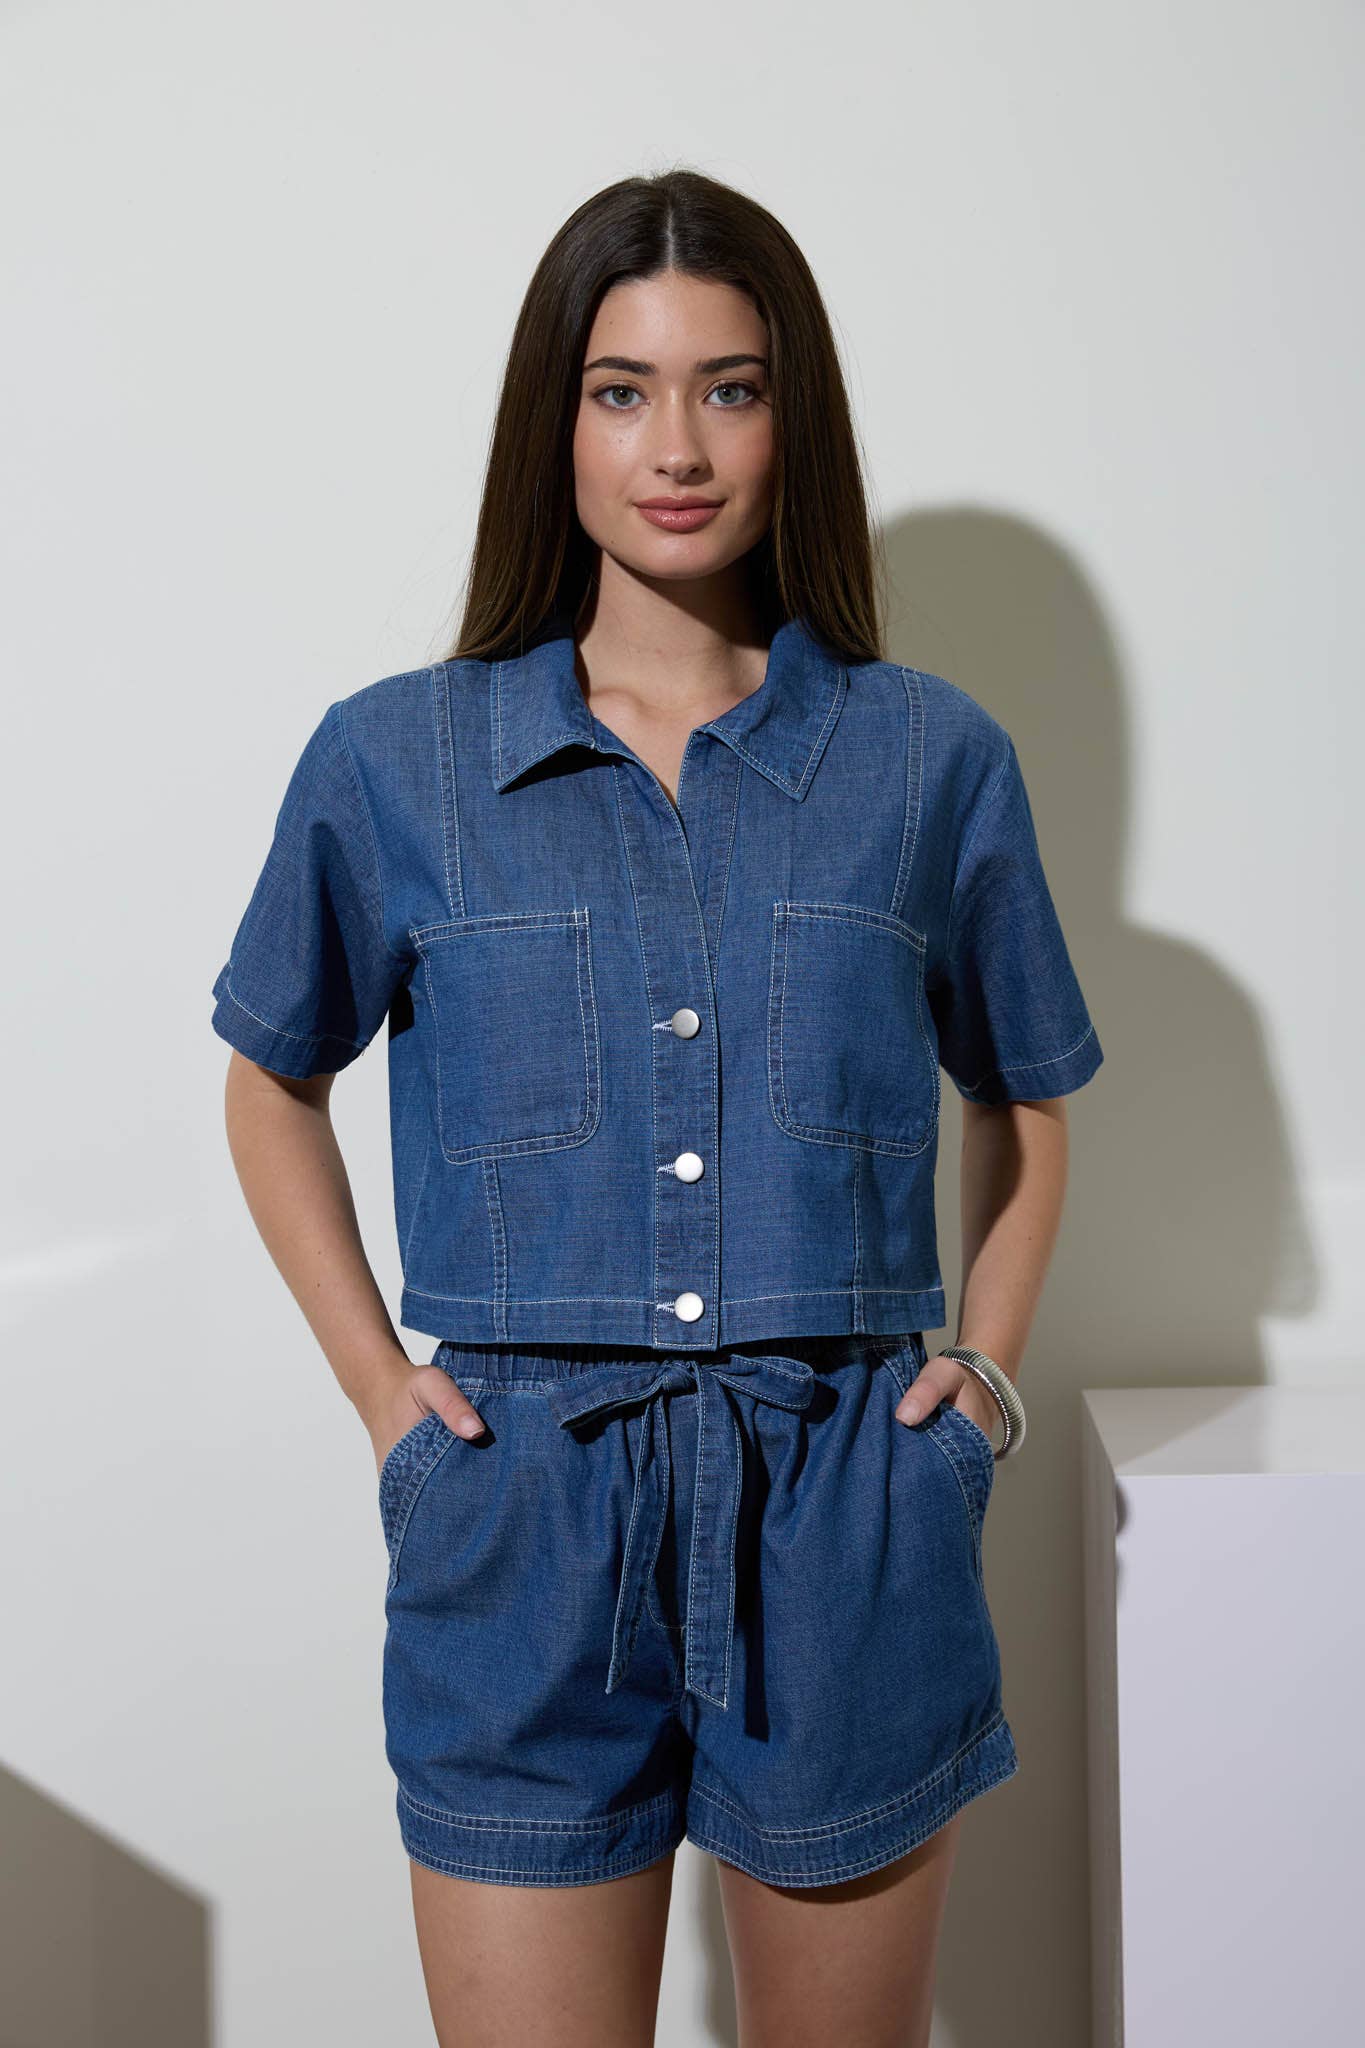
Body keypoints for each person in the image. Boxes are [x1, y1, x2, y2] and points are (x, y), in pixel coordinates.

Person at [210, 166, 1103, 2048]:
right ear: (555, 425)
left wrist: (978, 1397)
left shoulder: (928, 759)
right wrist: (384, 1397)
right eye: (620, 390)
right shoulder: (396, 760)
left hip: (847, 1514)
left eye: (730, 388)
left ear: (794, 422)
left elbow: (1024, 1108)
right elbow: (271, 1079)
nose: (674, 448)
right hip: (519, 1529)